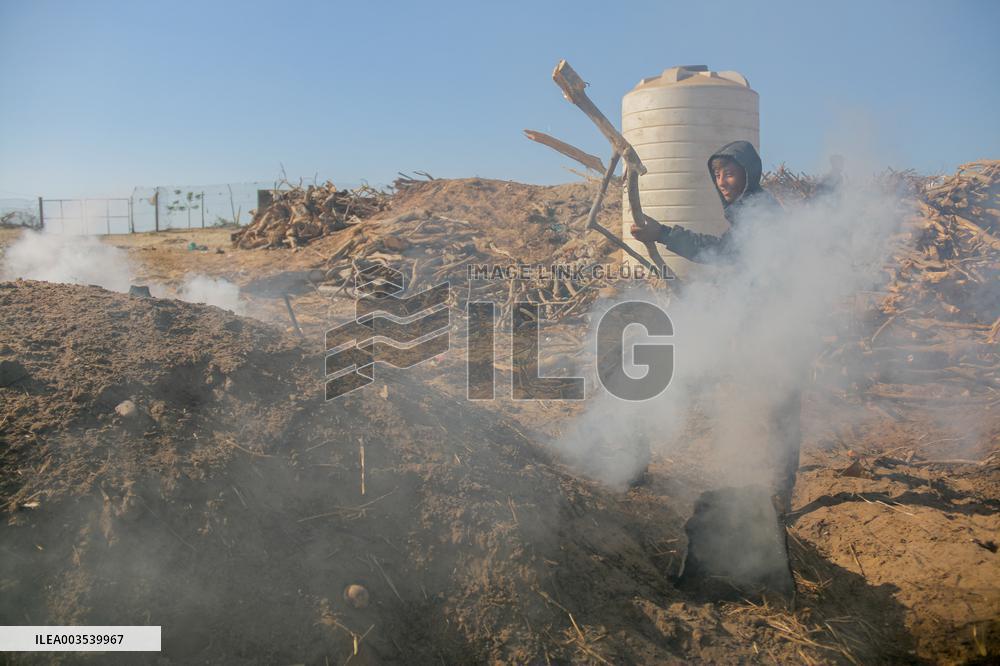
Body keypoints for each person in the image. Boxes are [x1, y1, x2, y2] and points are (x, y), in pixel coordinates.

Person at [630, 140, 801, 514]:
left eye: (730, 172)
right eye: (718, 174)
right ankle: (634, 457)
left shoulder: (759, 209)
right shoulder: (746, 209)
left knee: (780, 403)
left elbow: (725, 253)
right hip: (754, 315)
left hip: (775, 321)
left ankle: (780, 491)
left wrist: (663, 234)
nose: (722, 180)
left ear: (748, 174)